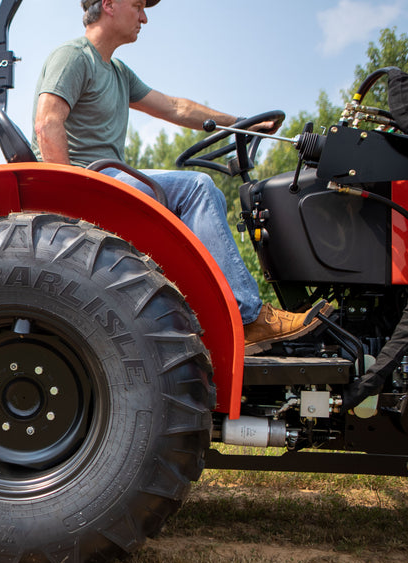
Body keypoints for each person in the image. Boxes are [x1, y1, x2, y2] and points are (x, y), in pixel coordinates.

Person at [32, 0, 323, 354]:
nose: (144, 17)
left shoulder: (118, 72)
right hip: (92, 185)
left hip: (107, 181)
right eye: (137, 6)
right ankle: (248, 318)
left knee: (189, 190)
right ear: (108, 4)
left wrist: (242, 123)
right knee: (196, 188)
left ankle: (204, 316)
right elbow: (47, 123)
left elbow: (175, 107)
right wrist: (72, 199)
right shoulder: (73, 57)